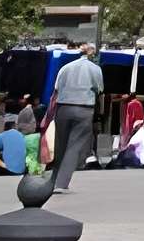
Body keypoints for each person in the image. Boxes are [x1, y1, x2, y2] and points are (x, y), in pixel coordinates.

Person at [45, 43, 105, 191]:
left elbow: (57, 89)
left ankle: (53, 179)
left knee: (60, 145)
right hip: (84, 108)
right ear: (93, 55)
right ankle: (61, 183)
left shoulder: (65, 68)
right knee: (74, 146)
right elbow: (100, 89)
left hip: (63, 107)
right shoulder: (95, 69)